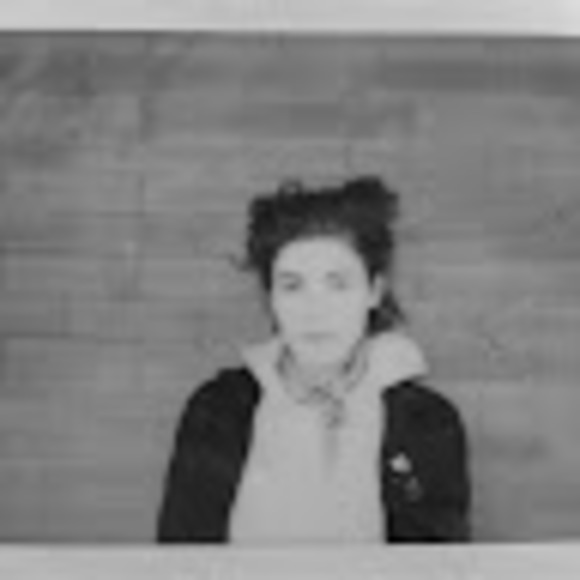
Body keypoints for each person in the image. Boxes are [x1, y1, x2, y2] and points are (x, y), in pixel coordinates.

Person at [157, 176, 471, 543]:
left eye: (338, 284)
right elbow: (181, 559)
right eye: (292, 286)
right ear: (271, 297)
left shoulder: (427, 420)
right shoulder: (217, 409)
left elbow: (438, 563)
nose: (315, 309)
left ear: (373, 291)